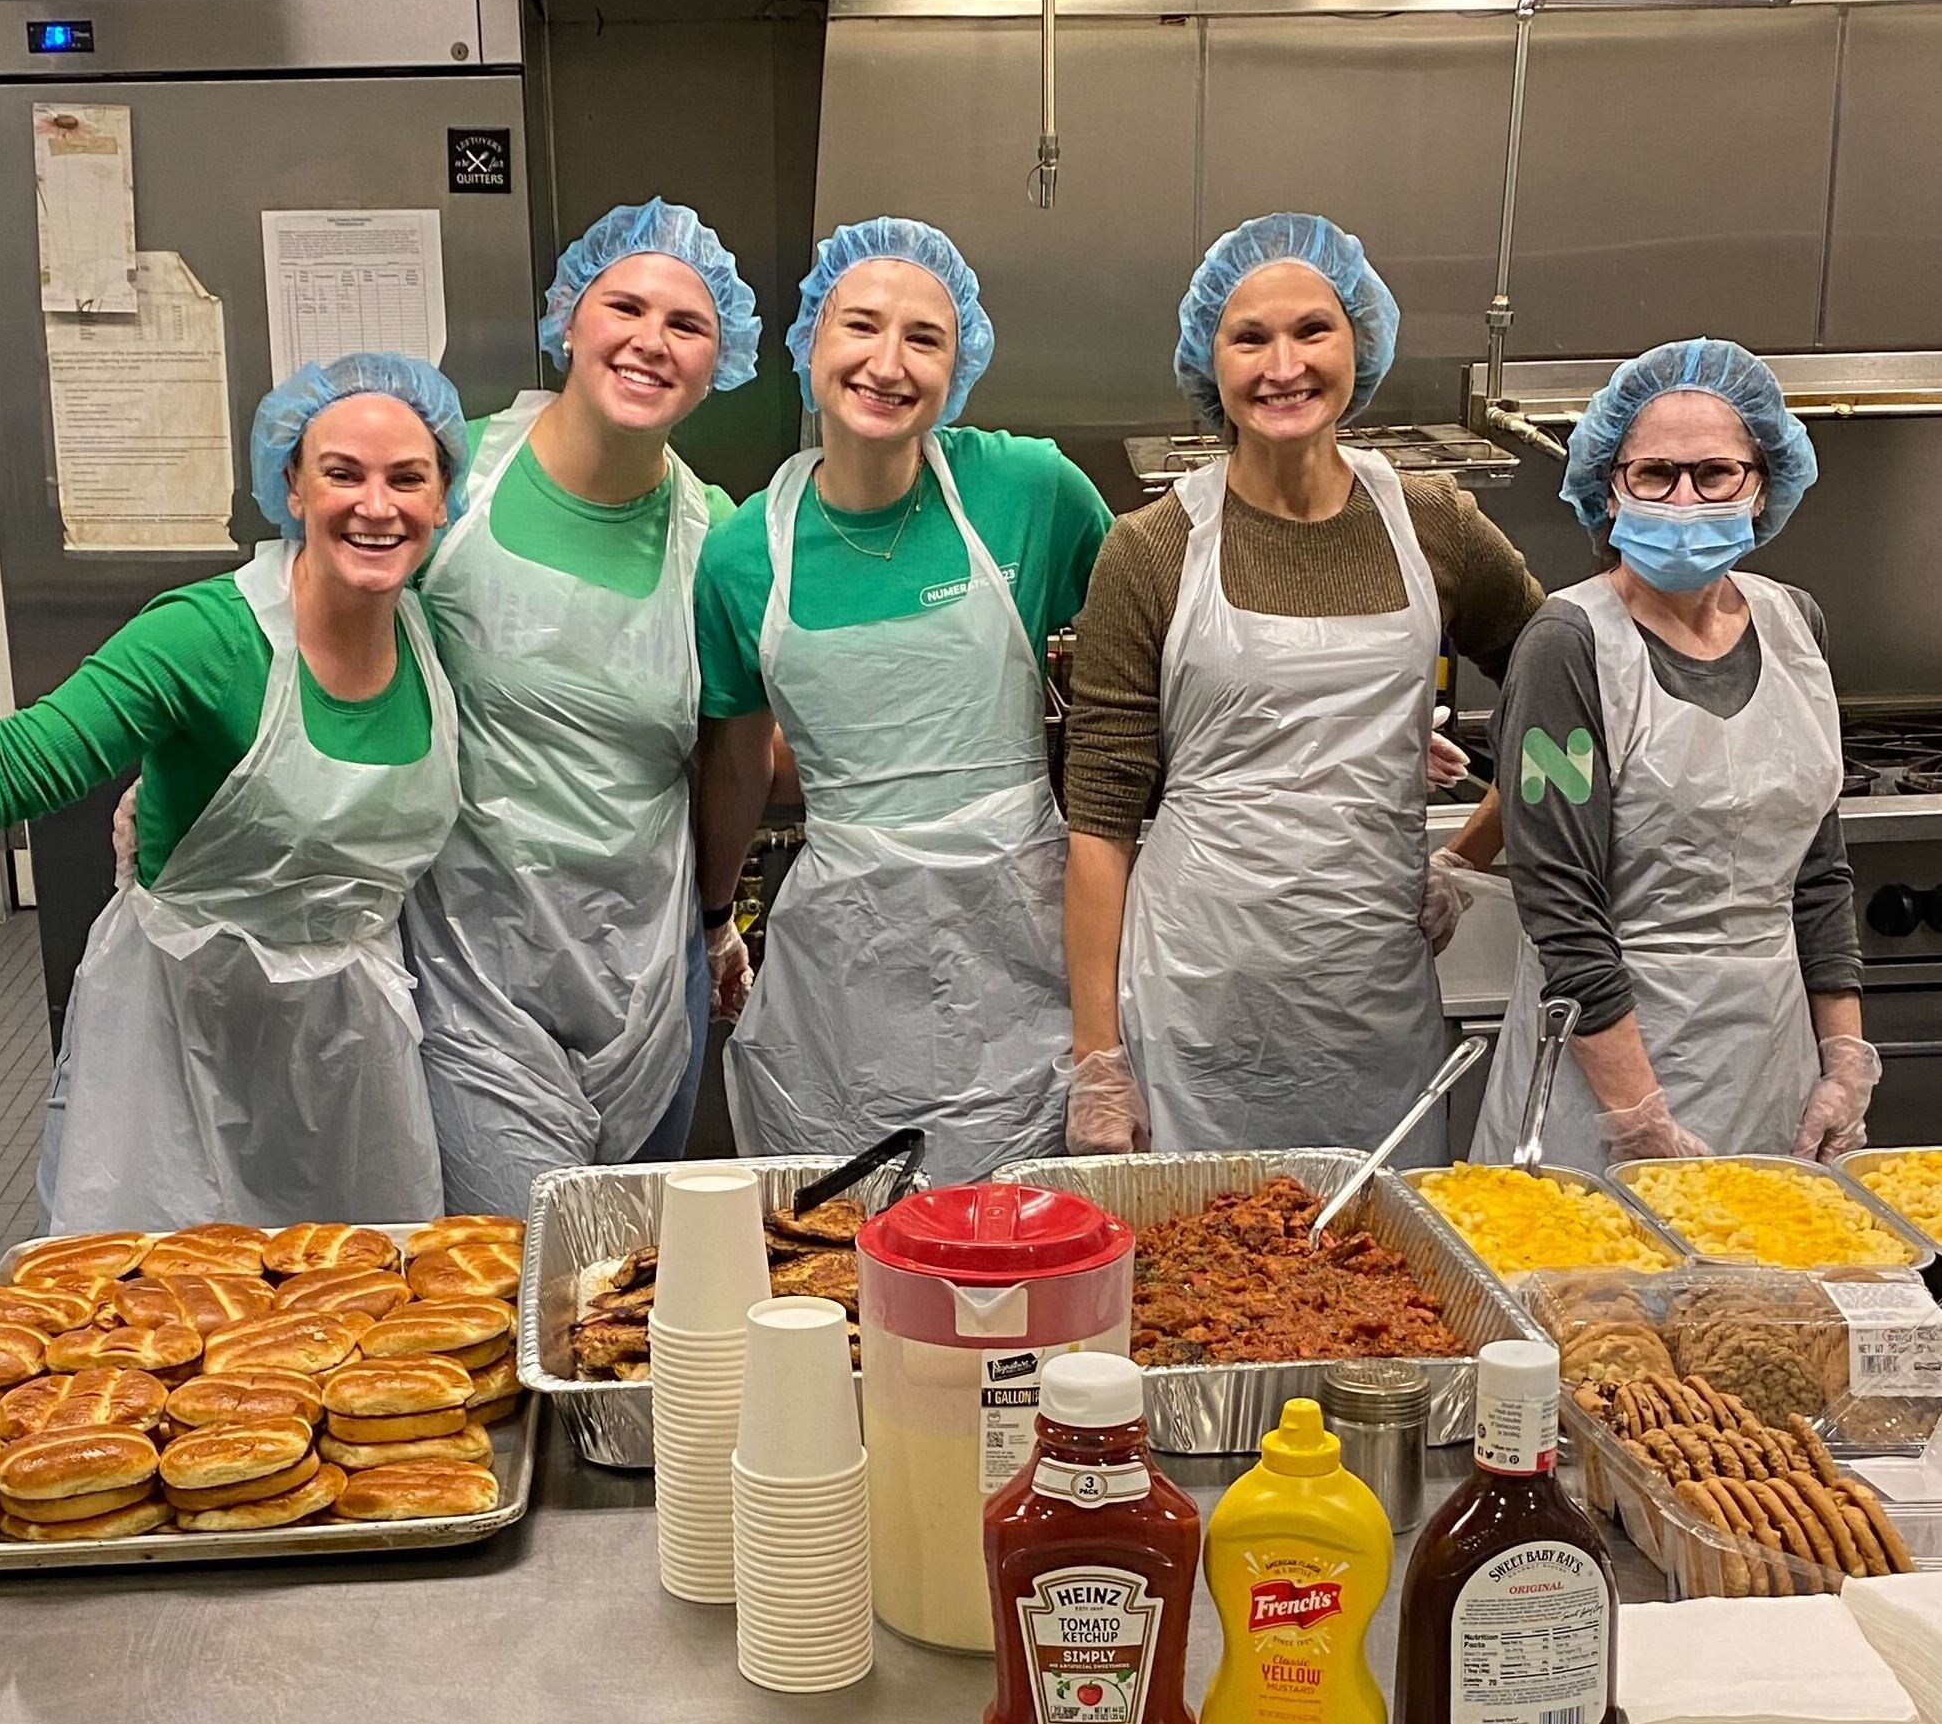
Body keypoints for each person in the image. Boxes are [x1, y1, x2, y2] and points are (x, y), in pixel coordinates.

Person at [0, 354, 465, 1229]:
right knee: (154, 1310)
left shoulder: (434, 638)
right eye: (342, 473)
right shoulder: (206, 637)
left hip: (350, 1050)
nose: (376, 505)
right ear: (291, 485)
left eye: (407, 478)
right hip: (179, 1043)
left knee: (358, 1307)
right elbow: (20, 761)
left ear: (444, 499)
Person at [1063, 213, 1542, 1163]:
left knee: (1383, 1281)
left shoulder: (1435, 525)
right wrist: (1096, 1060)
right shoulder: (1150, 548)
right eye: (1250, 338)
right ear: (1212, 362)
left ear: (1357, 341)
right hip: (1196, 1003)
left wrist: (1466, 858)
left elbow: (1569, 700)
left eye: (1311, 330)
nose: (1283, 364)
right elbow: (1099, 818)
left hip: (1372, 1012)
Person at [694, 217, 1113, 1182]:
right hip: (846, 962)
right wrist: (714, 918)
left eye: (923, 337)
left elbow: (1151, 642)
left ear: (957, 361)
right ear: (810, 345)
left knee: (1019, 1252)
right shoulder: (742, 552)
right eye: (860, 327)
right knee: (851, 1252)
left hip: (1024, 947)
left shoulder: (1028, 489)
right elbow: (733, 758)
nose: (887, 363)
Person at [403, 199, 759, 1216]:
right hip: (470, 959)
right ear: (570, 318)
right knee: (508, 1279)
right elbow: (325, 651)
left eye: (686, 325)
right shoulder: (450, 481)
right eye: (626, 307)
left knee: (624, 1283)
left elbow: (728, 751)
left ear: (717, 357)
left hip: (646, 971)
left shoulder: (715, 534)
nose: (651, 341)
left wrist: (714, 920)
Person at [1471, 339, 1877, 1168]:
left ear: (1761, 485)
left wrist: (1843, 1058)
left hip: (1771, 1066)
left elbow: (1817, 873)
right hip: (1609, 1083)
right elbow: (1561, 909)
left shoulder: (1797, 625)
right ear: (1608, 493)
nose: (1683, 499)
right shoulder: (1566, 645)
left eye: (1714, 474)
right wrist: (1639, 1119)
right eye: (1652, 474)